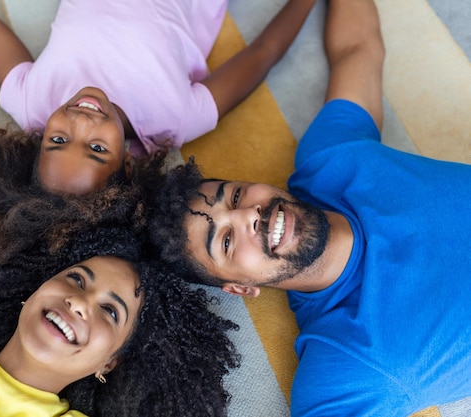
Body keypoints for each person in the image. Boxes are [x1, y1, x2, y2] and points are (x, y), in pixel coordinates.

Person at [0, 42, 240, 416]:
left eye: (110, 311)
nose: (80, 303)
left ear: (111, 362)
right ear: (33, 289)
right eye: (76, 279)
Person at [143, 0, 471, 415]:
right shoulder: (346, 365)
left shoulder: (328, 161)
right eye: (226, 241)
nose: (249, 217)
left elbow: (358, 50)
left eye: (238, 196)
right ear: (241, 288)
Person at [0, 0, 315, 195]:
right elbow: (264, 53)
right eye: (96, 148)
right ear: (126, 164)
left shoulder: (34, 103)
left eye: (56, 140)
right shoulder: (175, 120)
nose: (80, 121)